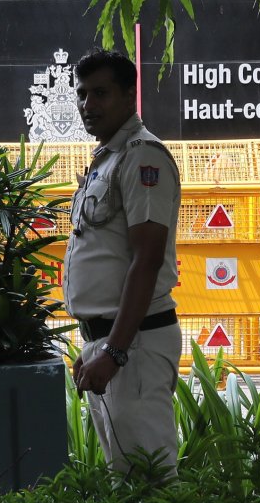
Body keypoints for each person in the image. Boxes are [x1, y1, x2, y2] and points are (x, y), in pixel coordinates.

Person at [63, 49, 183, 477]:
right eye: (82, 95)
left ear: (130, 95)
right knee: (126, 484)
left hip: (135, 345)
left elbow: (146, 260)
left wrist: (113, 352)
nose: (88, 105)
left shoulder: (141, 157)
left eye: (101, 93)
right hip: (114, 342)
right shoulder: (108, 159)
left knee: (148, 483)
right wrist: (99, 346)